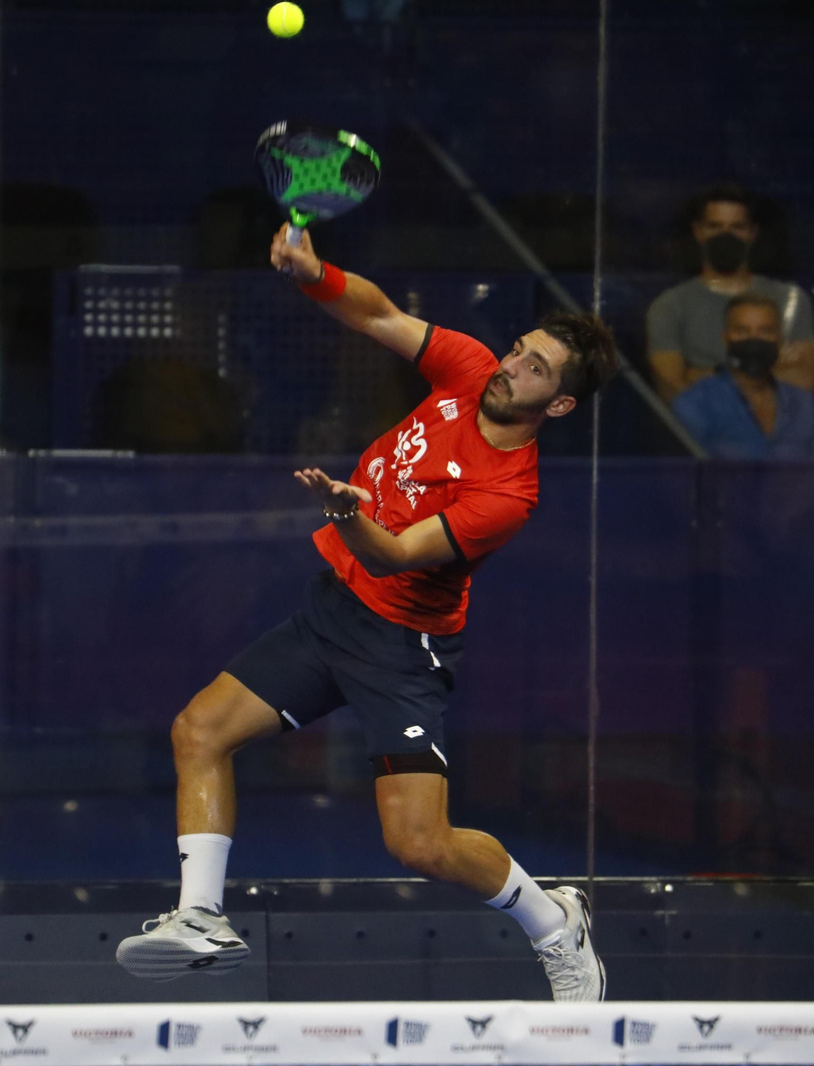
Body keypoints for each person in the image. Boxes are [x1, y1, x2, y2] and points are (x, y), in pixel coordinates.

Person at [114, 223, 617, 1002]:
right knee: (200, 730)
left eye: (535, 369)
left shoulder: (509, 493)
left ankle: (554, 922)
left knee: (419, 842)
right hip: (332, 613)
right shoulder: (470, 369)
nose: (512, 366)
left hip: (401, 648)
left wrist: (349, 513)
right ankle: (201, 917)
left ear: (559, 405)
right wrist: (317, 273)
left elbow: (396, 552)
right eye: (520, 348)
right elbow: (379, 315)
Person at [646, 184, 814, 401]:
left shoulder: (790, 300)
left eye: (737, 227)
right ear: (698, 231)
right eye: (715, 226)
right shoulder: (669, 306)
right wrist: (767, 369)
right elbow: (674, 392)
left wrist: (703, 374)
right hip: (699, 435)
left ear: (752, 233)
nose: (726, 235)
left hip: (778, 433)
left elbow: (802, 385)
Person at [672, 293, 814, 459]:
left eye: (765, 331)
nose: (753, 340)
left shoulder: (803, 406)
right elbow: (689, 478)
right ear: (726, 339)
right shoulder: (695, 405)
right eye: (742, 331)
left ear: (779, 340)